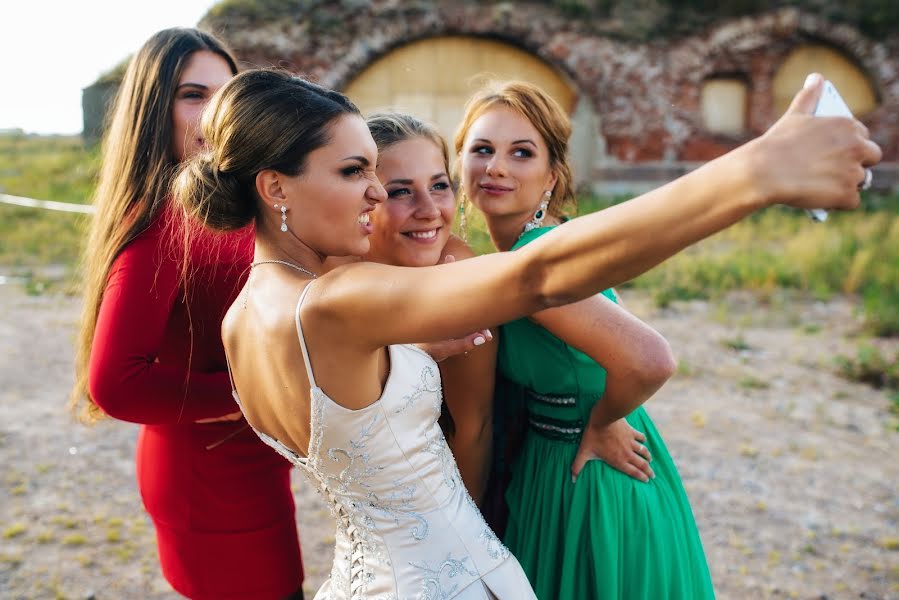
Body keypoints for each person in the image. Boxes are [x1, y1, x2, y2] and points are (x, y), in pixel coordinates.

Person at [173, 68, 877, 599]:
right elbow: (539, 275)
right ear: (274, 188)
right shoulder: (338, 303)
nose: (373, 193)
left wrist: (406, 354)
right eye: (355, 172)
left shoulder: (244, 315)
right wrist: (753, 174)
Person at [453, 79, 715, 599]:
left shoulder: (542, 257)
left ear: (551, 176)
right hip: (549, 461)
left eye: (520, 153)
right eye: (481, 149)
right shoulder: (533, 252)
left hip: (590, 469)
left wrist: (603, 420)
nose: (495, 167)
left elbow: (650, 359)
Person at [70, 29, 304, 600]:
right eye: (193, 95)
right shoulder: (158, 225)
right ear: (153, 109)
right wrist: (248, 399)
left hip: (250, 472)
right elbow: (115, 385)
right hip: (208, 483)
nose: (212, 116)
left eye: (224, 98)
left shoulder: (220, 208)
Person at [364, 112, 496, 504]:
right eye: (401, 191)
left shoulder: (459, 281)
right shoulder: (337, 266)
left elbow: (473, 430)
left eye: (439, 186)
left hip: (444, 502)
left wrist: (465, 540)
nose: (429, 210)